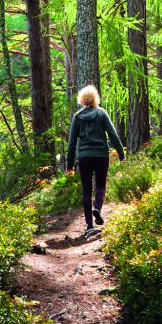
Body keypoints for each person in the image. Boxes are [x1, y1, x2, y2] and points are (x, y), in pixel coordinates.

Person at [66, 85, 125, 232]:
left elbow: (72, 143)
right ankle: (97, 208)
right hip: (101, 156)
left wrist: (69, 165)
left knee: (86, 190)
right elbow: (113, 135)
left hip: (84, 157)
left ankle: (89, 225)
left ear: (81, 99)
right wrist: (121, 154)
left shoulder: (77, 117)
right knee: (100, 185)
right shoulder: (101, 113)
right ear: (95, 99)